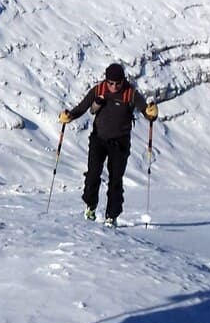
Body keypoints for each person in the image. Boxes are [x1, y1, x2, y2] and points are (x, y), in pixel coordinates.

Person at [59, 62, 158, 227]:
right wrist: (69, 116)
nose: (113, 86)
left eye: (117, 83)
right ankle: (90, 205)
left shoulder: (130, 94)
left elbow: (146, 113)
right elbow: (83, 107)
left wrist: (151, 113)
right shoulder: (98, 90)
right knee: (92, 174)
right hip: (98, 139)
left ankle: (111, 216)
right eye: (110, 82)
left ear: (122, 81)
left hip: (120, 143)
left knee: (115, 180)